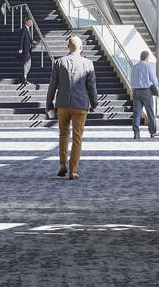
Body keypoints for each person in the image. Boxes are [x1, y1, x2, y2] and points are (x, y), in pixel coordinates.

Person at [45, 35, 98, 180]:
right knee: (77, 137)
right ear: (81, 48)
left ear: (68, 47)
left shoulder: (58, 62)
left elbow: (52, 86)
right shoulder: (88, 63)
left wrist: (49, 104)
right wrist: (94, 103)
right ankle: (73, 170)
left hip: (62, 104)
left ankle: (63, 164)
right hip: (80, 105)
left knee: (63, 133)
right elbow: (91, 86)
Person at [129, 50, 159, 138]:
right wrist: (156, 89)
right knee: (150, 112)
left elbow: (132, 79)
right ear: (147, 57)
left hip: (136, 92)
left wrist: (133, 90)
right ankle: (152, 132)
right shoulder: (148, 66)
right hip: (146, 91)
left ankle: (136, 133)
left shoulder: (134, 67)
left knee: (137, 113)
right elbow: (154, 80)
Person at [17, 16, 39, 88]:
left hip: (28, 50)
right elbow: (21, 39)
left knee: (27, 64)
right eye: (30, 21)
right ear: (26, 22)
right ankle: (24, 79)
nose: (31, 23)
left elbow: (28, 39)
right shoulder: (23, 29)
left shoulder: (28, 29)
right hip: (25, 50)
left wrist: (32, 42)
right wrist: (20, 49)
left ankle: (22, 78)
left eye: (31, 22)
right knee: (27, 64)